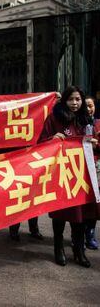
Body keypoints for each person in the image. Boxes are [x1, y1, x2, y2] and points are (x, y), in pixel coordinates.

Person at [40, 86, 100, 267]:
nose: (75, 103)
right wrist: (52, 139)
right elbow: (40, 143)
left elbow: (95, 145)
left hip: (82, 174)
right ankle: (59, 249)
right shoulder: (54, 119)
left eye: (78, 100)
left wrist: (95, 143)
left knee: (81, 216)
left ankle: (79, 251)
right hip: (61, 174)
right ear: (64, 101)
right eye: (71, 99)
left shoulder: (86, 120)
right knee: (60, 215)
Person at [85, 95, 99, 250]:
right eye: (86, 106)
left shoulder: (99, 124)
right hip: (79, 169)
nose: (89, 109)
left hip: (96, 170)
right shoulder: (76, 123)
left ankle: (90, 234)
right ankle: (79, 235)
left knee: (94, 203)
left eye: (91, 105)